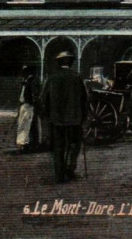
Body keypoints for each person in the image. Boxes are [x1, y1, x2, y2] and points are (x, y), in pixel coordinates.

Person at [38, 51, 88, 184]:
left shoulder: (52, 78)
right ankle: (70, 169)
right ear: (70, 63)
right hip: (75, 120)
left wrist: (47, 115)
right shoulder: (77, 77)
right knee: (74, 145)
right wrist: (83, 117)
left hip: (57, 120)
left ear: (58, 63)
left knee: (58, 147)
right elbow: (85, 99)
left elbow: (43, 99)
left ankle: (59, 175)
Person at [15, 65, 41, 153]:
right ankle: (27, 143)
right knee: (25, 124)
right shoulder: (26, 81)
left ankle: (24, 144)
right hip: (25, 105)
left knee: (26, 125)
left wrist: (33, 104)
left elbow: (34, 95)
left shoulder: (31, 81)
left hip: (28, 105)